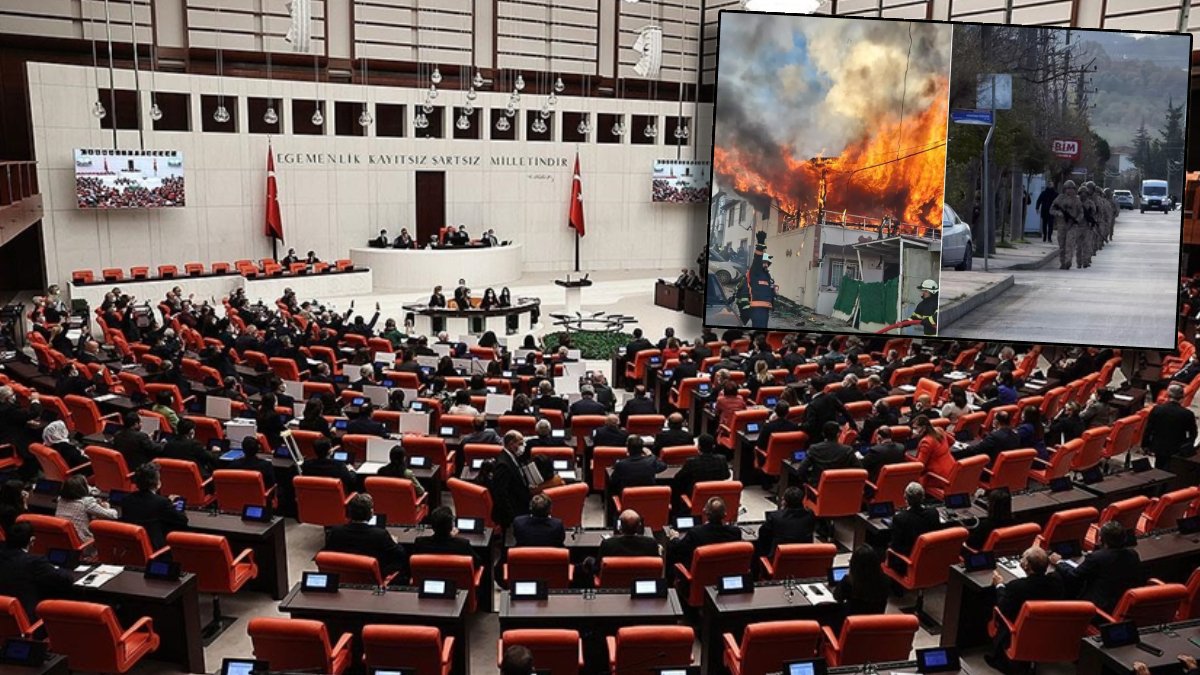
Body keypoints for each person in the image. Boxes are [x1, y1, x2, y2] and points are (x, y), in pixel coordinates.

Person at [988, 546, 1065, 670]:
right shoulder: (1056, 582)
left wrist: (1000, 585)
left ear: (1026, 565)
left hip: (1020, 631)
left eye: (1023, 558)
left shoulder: (1017, 587)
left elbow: (1002, 608)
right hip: (1047, 631)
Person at [1052, 520, 1142, 614]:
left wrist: (1059, 562)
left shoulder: (1096, 557)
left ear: (1102, 540)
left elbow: (1073, 576)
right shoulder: (1133, 554)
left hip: (1101, 608)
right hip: (1126, 604)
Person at [0, 522, 74, 618]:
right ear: (32, 540)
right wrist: (56, 568)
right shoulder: (34, 562)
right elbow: (66, 579)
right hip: (28, 617)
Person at [324, 493, 406, 578]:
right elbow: (400, 554)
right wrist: (394, 542)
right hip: (371, 579)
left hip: (342, 578)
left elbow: (327, 555)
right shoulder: (380, 534)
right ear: (371, 513)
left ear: (349, 513)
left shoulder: (336, 531)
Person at [119, 463, 189, 549]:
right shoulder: (162, 502)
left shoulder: (126, 499)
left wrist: (167, 503)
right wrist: (174, 506)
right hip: (155, 550)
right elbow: (183, 521)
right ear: (156, 483)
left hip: (131, 548)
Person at [667, 497, 741, 570]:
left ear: (705, 511)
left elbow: (678, 549)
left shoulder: (696, 533)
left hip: (701, 571)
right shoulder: (735, 532)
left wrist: (674, 538)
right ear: (725, 514)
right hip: (725, 570)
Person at [831, 545, 889, 633]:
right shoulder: (886, 580)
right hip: (875, 626)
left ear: (853, 564)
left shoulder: (849, 582)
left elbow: (837, 596)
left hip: (850, 627)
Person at [1141, 383, 1197, 470]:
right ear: (1182, 397)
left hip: (1159, 446)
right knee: (1173, 469)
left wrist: (1145, 445)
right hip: (1178, 448)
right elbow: (1193, 433)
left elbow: (1149, 429)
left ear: (1168, 395)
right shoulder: (1187, 414)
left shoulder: (1157, 409)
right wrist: (1187, 446)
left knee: (1158, 469)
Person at [755, 486, 816, 558]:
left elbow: (762, 533)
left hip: (780, 559)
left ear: (785, 502)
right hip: (804, 558)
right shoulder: (810, 515)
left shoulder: (775, 517)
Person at [796, 421, 861, 487]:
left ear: (823, 434)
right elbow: (859, 469)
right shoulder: (848, 450)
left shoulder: (814, 449)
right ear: (838, 434)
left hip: (818, 487)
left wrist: (808, 481)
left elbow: (801, 471)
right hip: (842, 487)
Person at [412, 506, 480, 566]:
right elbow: (477, 563)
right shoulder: (463, 545)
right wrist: (451, 537)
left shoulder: (420, 543)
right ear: (451, 526)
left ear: (432, 526)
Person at [671, 434, 729, 504]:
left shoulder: (691, 462)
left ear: (698, 447)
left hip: (696, 499)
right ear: (713, 446)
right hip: (716, 499)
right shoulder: (722, 459)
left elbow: (678, 478)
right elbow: (727, 475)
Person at [491, 431, 532, 529]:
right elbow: (501, 494)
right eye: (520, 444)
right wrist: (513, 518)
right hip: (514, 514)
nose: (523, 447)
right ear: (511, 444)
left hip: (521, 505)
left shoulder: (513, 456)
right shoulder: (503, 465)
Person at [735, 231, 776, 329]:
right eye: (765, 262)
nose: (766, 265)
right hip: (756, 309)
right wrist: (760, 244)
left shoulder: (766, 275)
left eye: (768, 263)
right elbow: (757, 258)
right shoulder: (756, 271)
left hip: (763, 308)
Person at [889, 482, 940, 558]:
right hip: (930, 556)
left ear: (905, 497)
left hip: (908, 559)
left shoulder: (900, 518)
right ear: (923, 497)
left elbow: (896, 547)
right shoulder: (934, 513)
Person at [597, 510, 662, 564]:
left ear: (620, 527)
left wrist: (611, 540)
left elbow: (598, 567)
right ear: (638, 527)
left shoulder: (608, 544)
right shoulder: (651, 543)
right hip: (641, 575)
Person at [1051, 180, 1085, 270]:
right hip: (1061, 226)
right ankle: (1062, 262)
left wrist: (1077, 220)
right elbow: (1051, 210)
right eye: (1068, 188)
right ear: (1064, 189)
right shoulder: (1060, 198)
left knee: (1070, 244)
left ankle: (1068, 261)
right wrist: (1058, 213)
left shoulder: (1077, 200)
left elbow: (1081, 213)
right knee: (1062, 245)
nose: (1070, 190)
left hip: (1072, 225)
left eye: (1072, 188)